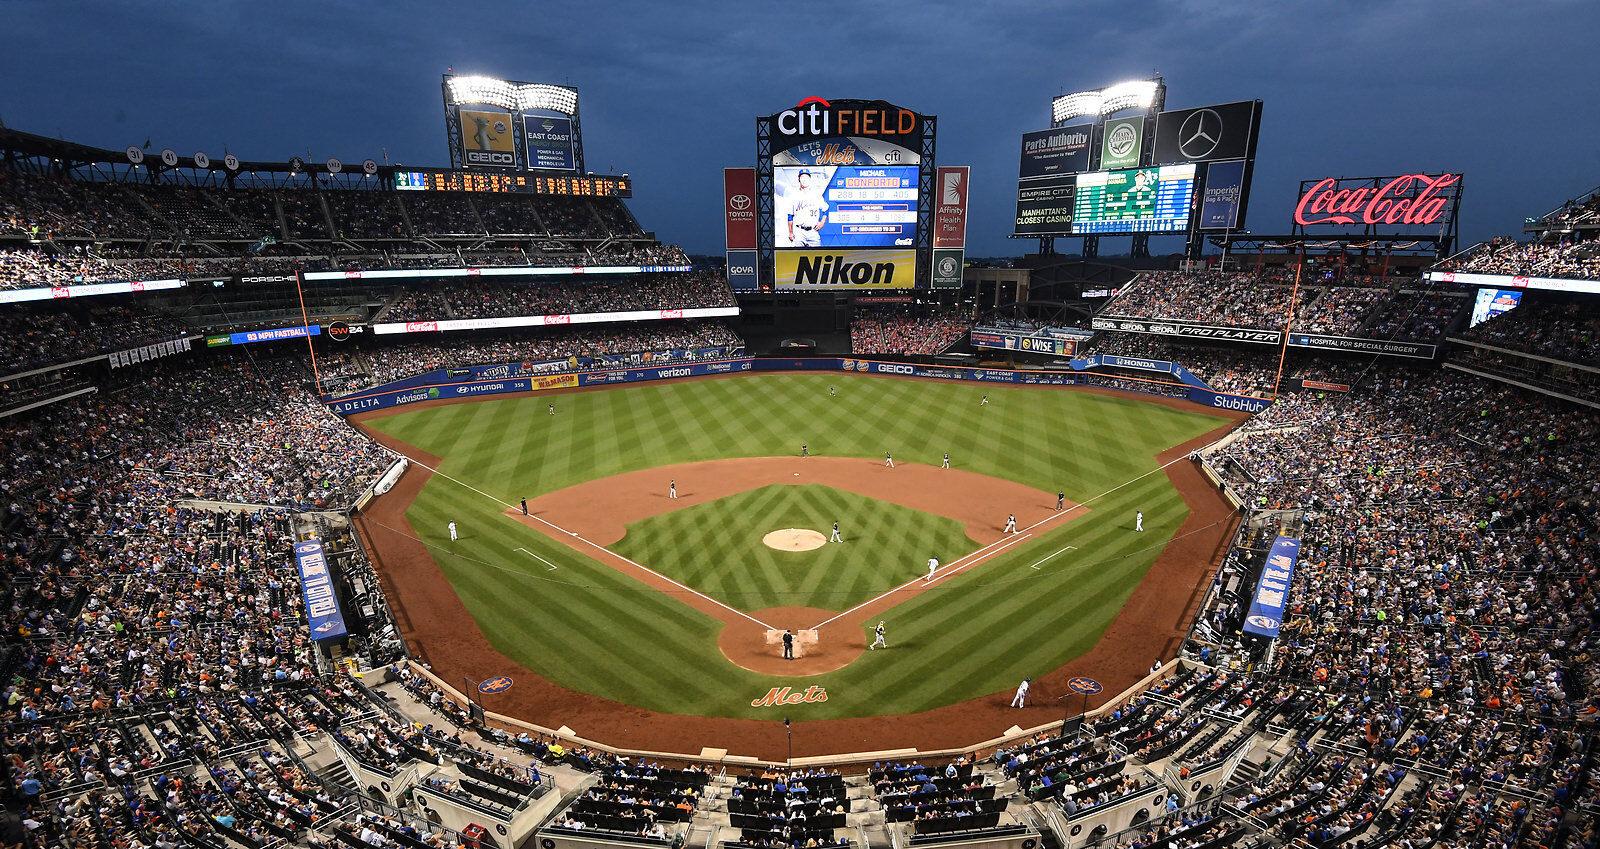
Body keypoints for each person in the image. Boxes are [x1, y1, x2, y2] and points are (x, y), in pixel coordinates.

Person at [785, 169, 828, 247]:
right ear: (799, 180)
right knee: (797, 256)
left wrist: (822, 222)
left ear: (810, 179)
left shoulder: (816, 194)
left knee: (816, 255)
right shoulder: (794, 195)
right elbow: (790, 216)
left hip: (813, 231)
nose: (804, 180)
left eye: (806, 177)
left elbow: (826, 209)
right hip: (799, 232)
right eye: (802, 177)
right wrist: (791, 232)